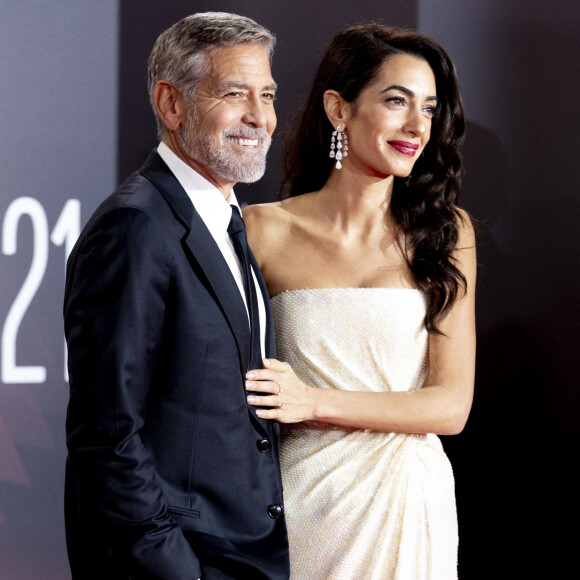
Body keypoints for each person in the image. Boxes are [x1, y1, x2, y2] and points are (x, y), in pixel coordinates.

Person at [243, 25, 476, 579]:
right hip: (304, 504)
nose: (417, 127)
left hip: (409, 503)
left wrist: (312, 401)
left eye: (428, 108)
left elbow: (450, 407)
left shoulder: (445, 233)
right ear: (338, 108)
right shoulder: (260, 230)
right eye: (396, 102)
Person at [64, 12, 289, 580]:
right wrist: (173, 567)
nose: (259, 117)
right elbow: (107, 433)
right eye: (235, 94)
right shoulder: (136, 226)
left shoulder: (223, 217)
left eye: (267, 94)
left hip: (244, 551)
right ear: (171, 103)